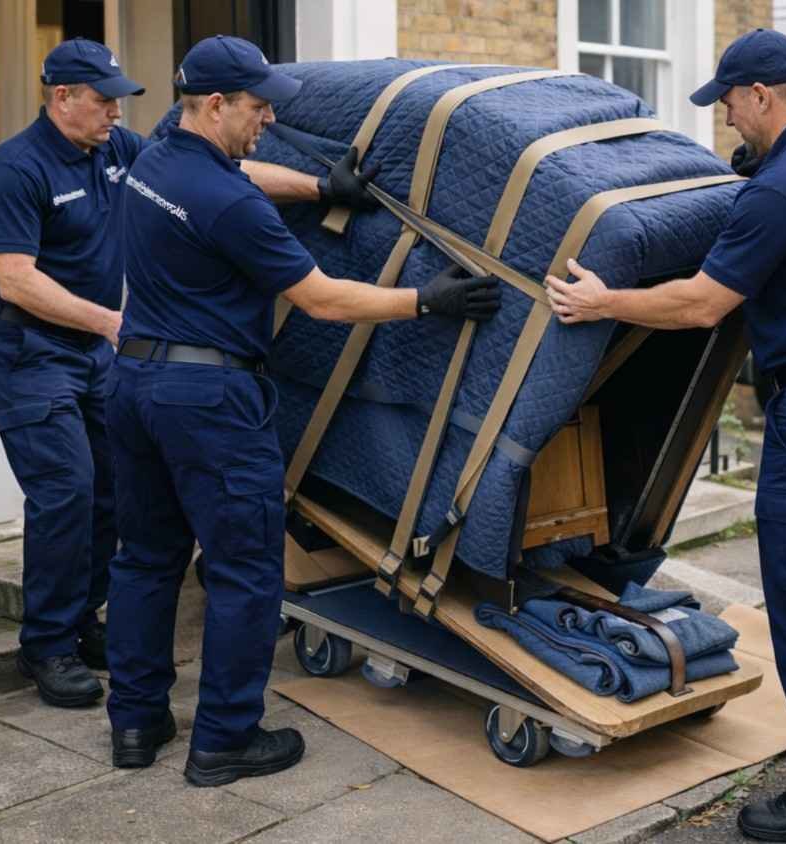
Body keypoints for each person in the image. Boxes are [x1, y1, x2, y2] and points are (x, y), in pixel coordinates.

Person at [546, 28, 786, 841]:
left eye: (727, 100)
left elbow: (701, 304)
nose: (723, 116)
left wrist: (602, 302)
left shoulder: (783, 186)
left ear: (760, 95)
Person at [104, 35, 501, 785]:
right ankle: (224, 739)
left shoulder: (155, 153)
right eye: (257, 107)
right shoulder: (229, 204)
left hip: (132, 385)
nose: (268, 119)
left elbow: (243, 169)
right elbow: (321, 299)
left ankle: (135, 722)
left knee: (146, 560)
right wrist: (427, 300)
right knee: (245, 570)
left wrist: (322, 190)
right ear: (216, 105)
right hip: (209, 401)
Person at [0, 38, 357, 710]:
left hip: (100, 352)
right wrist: (112, 323)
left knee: (111, 498)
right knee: (66, 489)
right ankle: (47, 645)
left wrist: (321, 187)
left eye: (121, 101)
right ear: (61, 97)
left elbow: (221, 178)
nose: (117, 113)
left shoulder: (118, 153)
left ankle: (86, 618)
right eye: (103, 101)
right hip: (28, 351)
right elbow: (15, 280)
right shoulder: (16, 168)